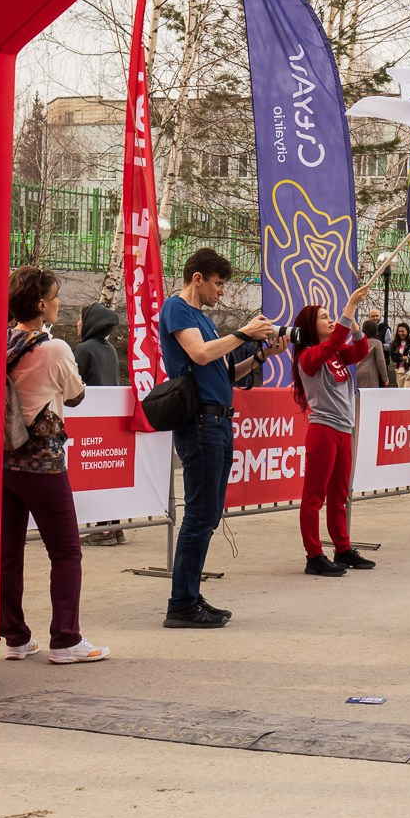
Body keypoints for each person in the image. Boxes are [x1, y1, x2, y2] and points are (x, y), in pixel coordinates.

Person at [158, 248, 278, 628]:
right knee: (199, 514)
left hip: (218, 422)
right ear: (198, 278)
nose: (221, 292)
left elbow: (226, 372)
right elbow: (200, 354)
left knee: (207, 514)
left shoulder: (202, 319)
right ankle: (181, 603)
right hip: (201, 423)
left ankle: (189, 596)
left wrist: (260, 357)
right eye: (218, 284)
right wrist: (243, 332)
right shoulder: (178, 309)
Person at [0, 267, 109, 663]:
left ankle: (14, 636)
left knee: (8, 551)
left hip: (5, 460)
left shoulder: (3, 341)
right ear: (42, 304)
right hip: (42, 461)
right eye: (56, 294)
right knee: (65, 552)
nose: (60, 301)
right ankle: (65, 639)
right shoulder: (55, 347)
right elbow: (76, 395)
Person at [291, 286, 378, 575]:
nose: (330, 321)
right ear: (309, 326)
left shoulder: (335, 354)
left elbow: (362, 349)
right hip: (324, 430)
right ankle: (313, 555)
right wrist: (349, 306)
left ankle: (342, 549)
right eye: (324, 317)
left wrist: (353, 324)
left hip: (343, 430)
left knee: (339, 495)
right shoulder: (309, 356)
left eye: (331, 316)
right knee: (314, 497)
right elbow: (334, 341)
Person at [74, 302, 125, 547]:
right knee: (107, 475)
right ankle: (113, 526)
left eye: (79, 319)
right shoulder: (110, 350)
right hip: (109, 420)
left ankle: (102, 530)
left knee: (93, 475)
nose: (76, 324)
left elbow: (73, 385)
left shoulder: (84, 349)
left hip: (89, 422)